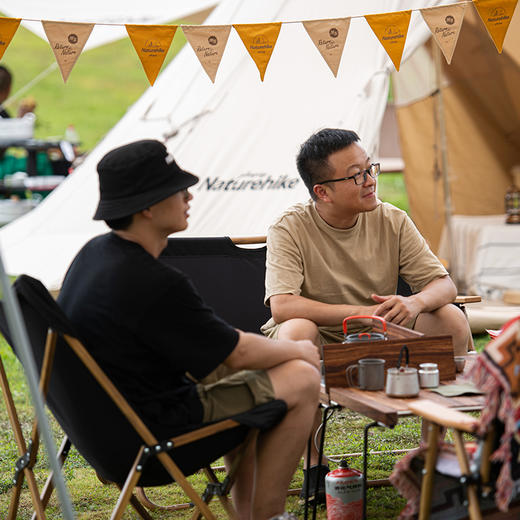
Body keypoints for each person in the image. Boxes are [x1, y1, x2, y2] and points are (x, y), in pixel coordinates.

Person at [57, 139, 321, 520]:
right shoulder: (152, 280)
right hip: (153, 439)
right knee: (300, 379)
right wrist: (299, 351)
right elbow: (238, 352)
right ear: (147, 207)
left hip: (106, 434)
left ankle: (249, 513)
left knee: (247, 382)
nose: (189, 196)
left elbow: (222, 353)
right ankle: (267, 515)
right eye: (177, 189)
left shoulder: (94, 255)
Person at [261, 128, 472, 500]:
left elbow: (444, 285)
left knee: (450, 318)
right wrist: (363, 312)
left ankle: (431, 451)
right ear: (321, 192)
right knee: (295, 329)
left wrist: (414, 303)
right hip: (321, 342)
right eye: (356, 175)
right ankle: (314, 463)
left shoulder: (392, 219)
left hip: (383, 337)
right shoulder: (289, 227)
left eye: (370, 168)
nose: (370, 181)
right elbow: (283, 305)